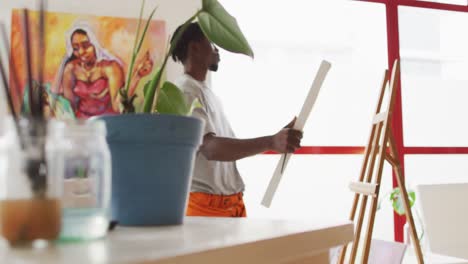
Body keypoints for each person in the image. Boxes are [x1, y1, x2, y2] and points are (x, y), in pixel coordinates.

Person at [171, 22, 303, 217]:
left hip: (230, 203)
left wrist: (276, 139)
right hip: (207, 207)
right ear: (195, 48)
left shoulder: (206, 93)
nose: (218, 50)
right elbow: (210, 148)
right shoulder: (186, 91)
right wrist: (270, 141)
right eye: (212, 43)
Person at [54, 23, 152, 118]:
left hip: (107, 122)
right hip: (82, 123)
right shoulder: (71, 69)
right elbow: (69, 107)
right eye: (75, 48)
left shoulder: (110, 68)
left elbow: (118, 107)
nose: (81, 52)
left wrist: (137, 76)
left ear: (96, 44)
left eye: (86, 46)